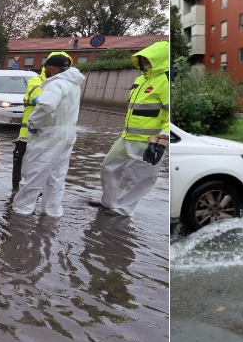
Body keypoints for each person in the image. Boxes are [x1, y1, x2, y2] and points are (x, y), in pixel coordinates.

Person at [89, 40, 169, 217]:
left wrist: (164, 138)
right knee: (108, 167)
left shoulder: (165, 81)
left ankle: (123, 209)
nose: (144, 63)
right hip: (127, 136)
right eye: (142, 59)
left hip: (149, 141)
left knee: (138, 177)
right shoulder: (140, 79)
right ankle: (109, 201)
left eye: (148, 59)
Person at [11, 54, 84, 218]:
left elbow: (46, 106)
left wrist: (34, 124)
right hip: (67, 134)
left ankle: (22, 210)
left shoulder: (56, 84)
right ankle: (52, 211)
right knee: (57, 176)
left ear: (50, 68)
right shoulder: (74, 85)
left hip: (49, 134)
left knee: (34, 172)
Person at [13, 51, 74, 192]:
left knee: (44, 167)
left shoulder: (66, 86)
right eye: (60, 68)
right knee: (21, 164)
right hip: (27, 135)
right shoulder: (36, 81)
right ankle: (16, 193)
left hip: (51, 136)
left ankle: (35, 194)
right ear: (49, 67)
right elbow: (39, 100)